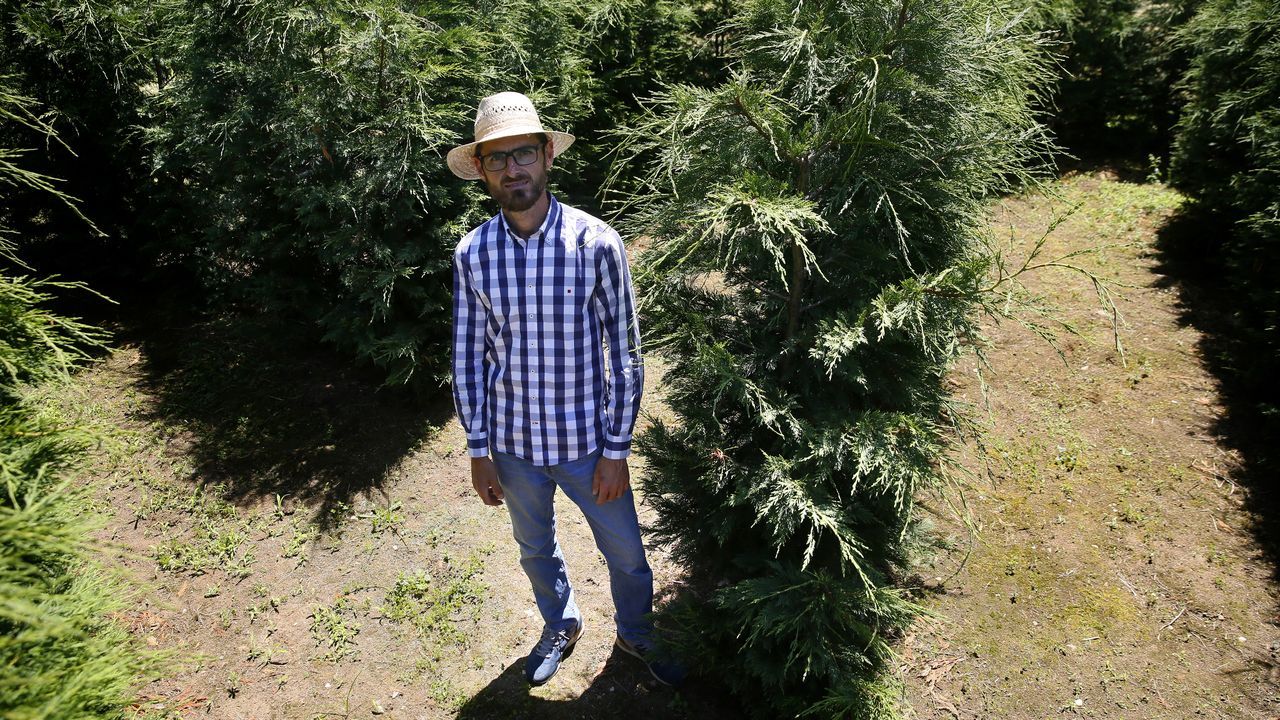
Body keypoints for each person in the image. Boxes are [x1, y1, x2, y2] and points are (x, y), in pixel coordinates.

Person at [447, 92, 681, 687]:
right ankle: (561, 623)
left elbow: (625, 353)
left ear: (547, 155)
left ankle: (636, 635)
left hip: (587, 447)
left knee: (626, 554)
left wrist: (616, 450)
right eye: (496, 160)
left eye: (522, 154)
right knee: (534, 549)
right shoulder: (473, 253)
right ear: (481, 170)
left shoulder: (596, 243)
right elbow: (468, 356)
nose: (512, 170)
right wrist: (479, 450)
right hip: (514, 446)